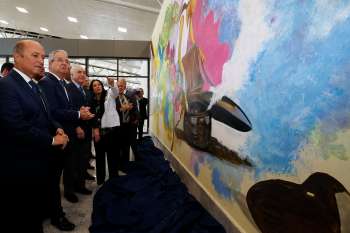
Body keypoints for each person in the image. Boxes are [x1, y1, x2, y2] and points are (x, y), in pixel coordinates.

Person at [0, 39, 68, 233]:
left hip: (37, 164)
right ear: (17, 57)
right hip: (19, 168)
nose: (41, 60)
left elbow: (45, 114)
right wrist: (53, 140)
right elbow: (15, 127)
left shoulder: (34, 85)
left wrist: (56, 128)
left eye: (43, 56)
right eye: (35, 55)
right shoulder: (7, 86)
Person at [39, 49, 94, 230]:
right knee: (53, 181)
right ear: (50, 63)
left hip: (66, 137)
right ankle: (57, 215)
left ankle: (51, 210)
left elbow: (64, 109)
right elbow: (53, 112)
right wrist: (79, 115)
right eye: (60, 60)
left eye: (67, 60)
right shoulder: (48, 82)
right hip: (56, 138)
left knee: (55, 179)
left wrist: (78, 117)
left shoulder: (62, 83)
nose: (65, 63)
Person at [66, 64, 94, 189]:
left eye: (83, 72)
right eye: (79, 72)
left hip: (86, 130)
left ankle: (80, 185)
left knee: (83, 160)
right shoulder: (67, 89)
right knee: (72, 163)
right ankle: (70, 190)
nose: (82, 74)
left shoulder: (84, 90)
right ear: (71, 75)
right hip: (74, 131)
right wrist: (77, 127)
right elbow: (68, 110)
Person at [89, 78, 121, 185]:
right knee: (100, 157)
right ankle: (100, 180)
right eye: (94, 85)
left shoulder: (109, 95)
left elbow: (116, 92)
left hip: (111, 132)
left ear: (102, 86)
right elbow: (91, 117)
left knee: (112, 157)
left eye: (99, 85)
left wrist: (112, 84)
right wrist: (95, 130)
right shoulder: (91, 100)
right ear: (92, 89)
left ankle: (114, 179)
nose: (97, 87)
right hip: (98, 133)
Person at [116, 79, 139, 164]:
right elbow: (112, 111)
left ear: (125, 86)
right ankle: (119, 163)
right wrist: (122, 109)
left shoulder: (130, 95)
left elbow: (135, 108)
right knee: (119, 145)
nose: (119, 88)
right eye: (118, 86)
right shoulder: (114, 97)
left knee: (128, 145)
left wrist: (136, 119)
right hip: (119, 125)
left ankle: (127, 163)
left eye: (121, 86)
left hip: (129, 124)